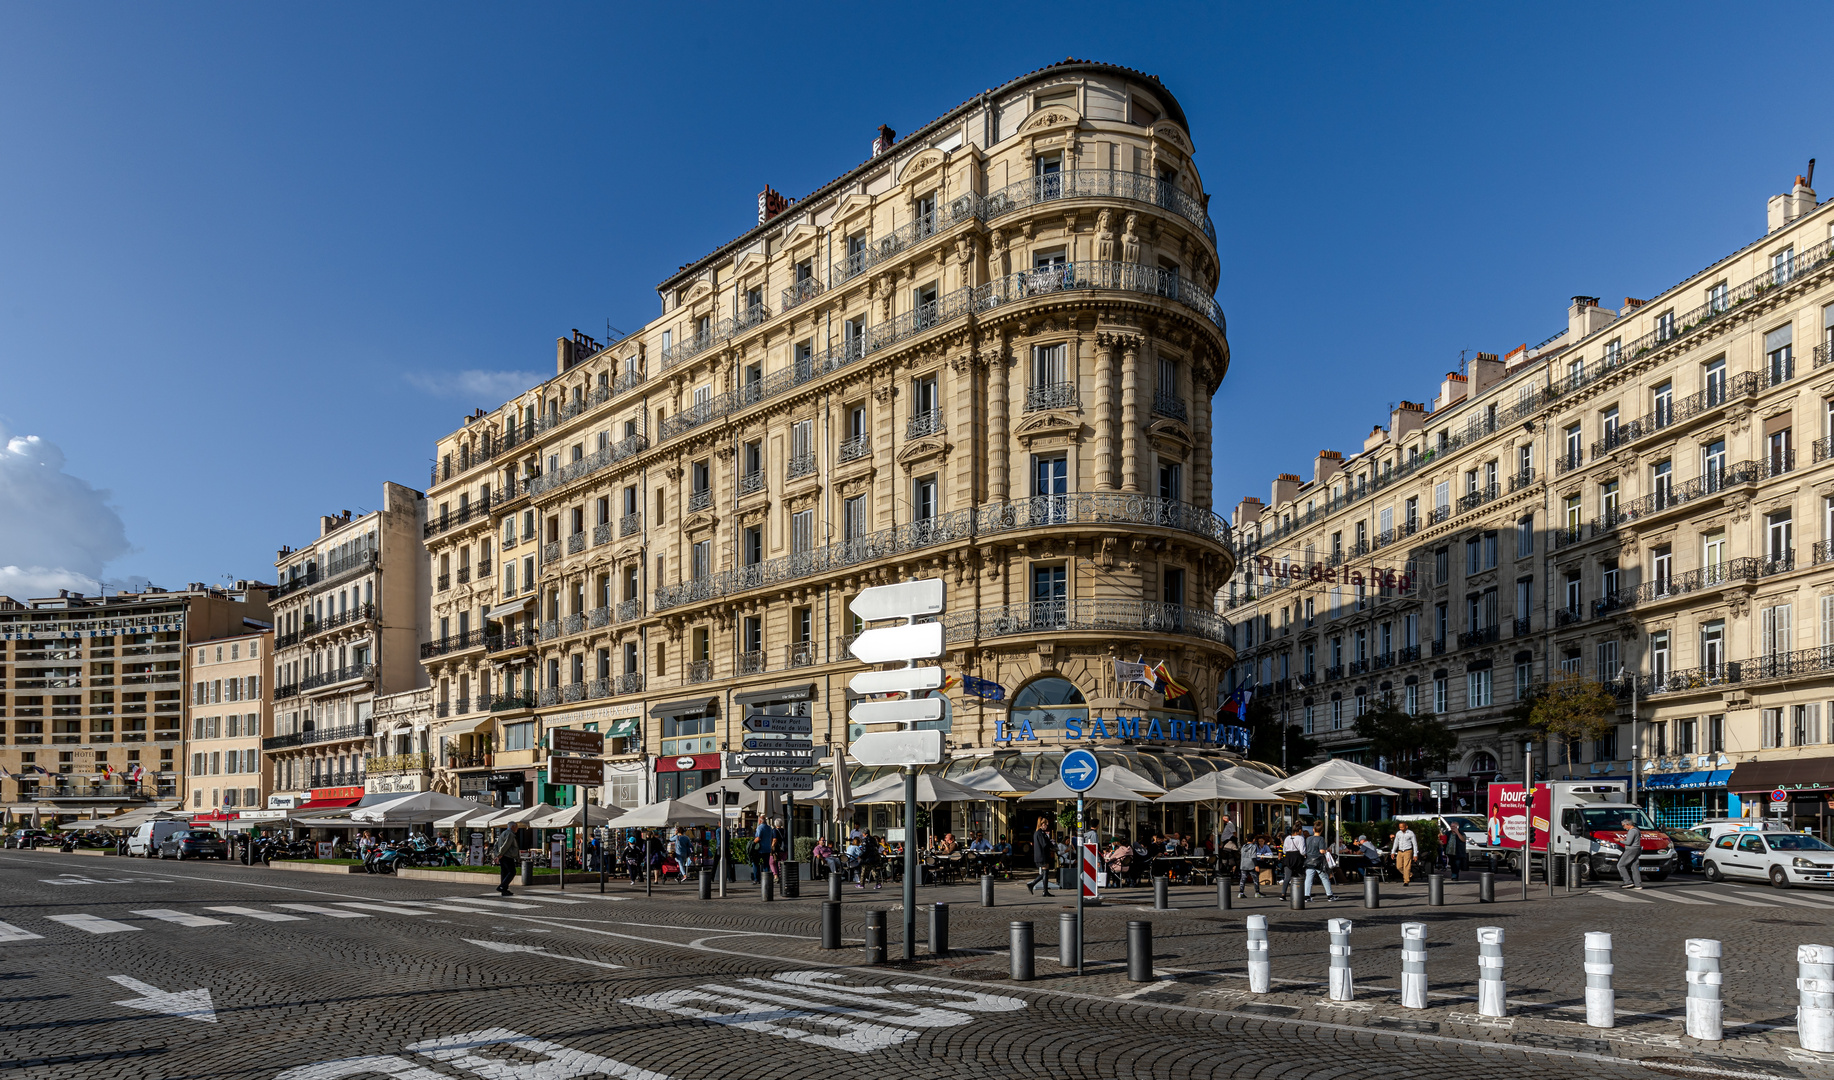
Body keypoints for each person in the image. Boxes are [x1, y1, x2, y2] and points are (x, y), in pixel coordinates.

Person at [1302, 826, 1337, 901]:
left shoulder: (1308, 839)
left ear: (1313, 830)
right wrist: (1326, 850)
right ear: (1321, 831)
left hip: (1309, 861)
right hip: (1318, 861)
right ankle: (1330, 895)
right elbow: (1321, 851)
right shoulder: (1321, 839)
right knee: (1324, 878)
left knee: (1308, 879)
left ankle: (1307, 896)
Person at [1027, 817, 1055, 896]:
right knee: (1045, 873)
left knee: (1045, 872)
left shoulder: (1039, 833)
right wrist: (1051, 844)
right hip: (1042, 855)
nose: (1046, 826)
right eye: (1046, 825)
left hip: (1042, 855)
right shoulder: (1040, 833)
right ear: (1042, 824)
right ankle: (1039, 888)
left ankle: (1042, 889)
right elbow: (1044, 844)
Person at [493, 821, 522, 896]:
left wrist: (497, 854)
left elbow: (496, 844)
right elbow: (506, 845)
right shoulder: (510, 834)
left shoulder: (503, 833)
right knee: (512, 872)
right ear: (513, 827)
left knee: (504, 872)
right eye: (517, 827)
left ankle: (504, 890)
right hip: (507, 856)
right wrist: (500, 854)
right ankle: (502, 887)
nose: (517, 829)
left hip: (503, 856)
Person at [1617, 817, 1644, 890]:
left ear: (1628, 824)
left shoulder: (1632, 831)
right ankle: (1638, 884)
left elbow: (1628, 843)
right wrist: (1624, 840)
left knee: (1621, 865)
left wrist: (1620, 841)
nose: (1624, 827)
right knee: (1634, 866)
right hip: (1637, 849)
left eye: (1623, 825)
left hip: (1631, 850)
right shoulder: (1637, 830)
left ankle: (1628, 882)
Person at [1279, 826, 1306, 898]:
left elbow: (1284, 850)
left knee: (1287, 877)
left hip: (1288, 857)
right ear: (1299, 830)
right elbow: (1302, 850)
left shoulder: (1287, 838)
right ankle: (1304, 893)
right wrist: (1305, 855)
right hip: (1297, 857)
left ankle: (1283, 894)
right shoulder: (1301, 838)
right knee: (1301, 875)